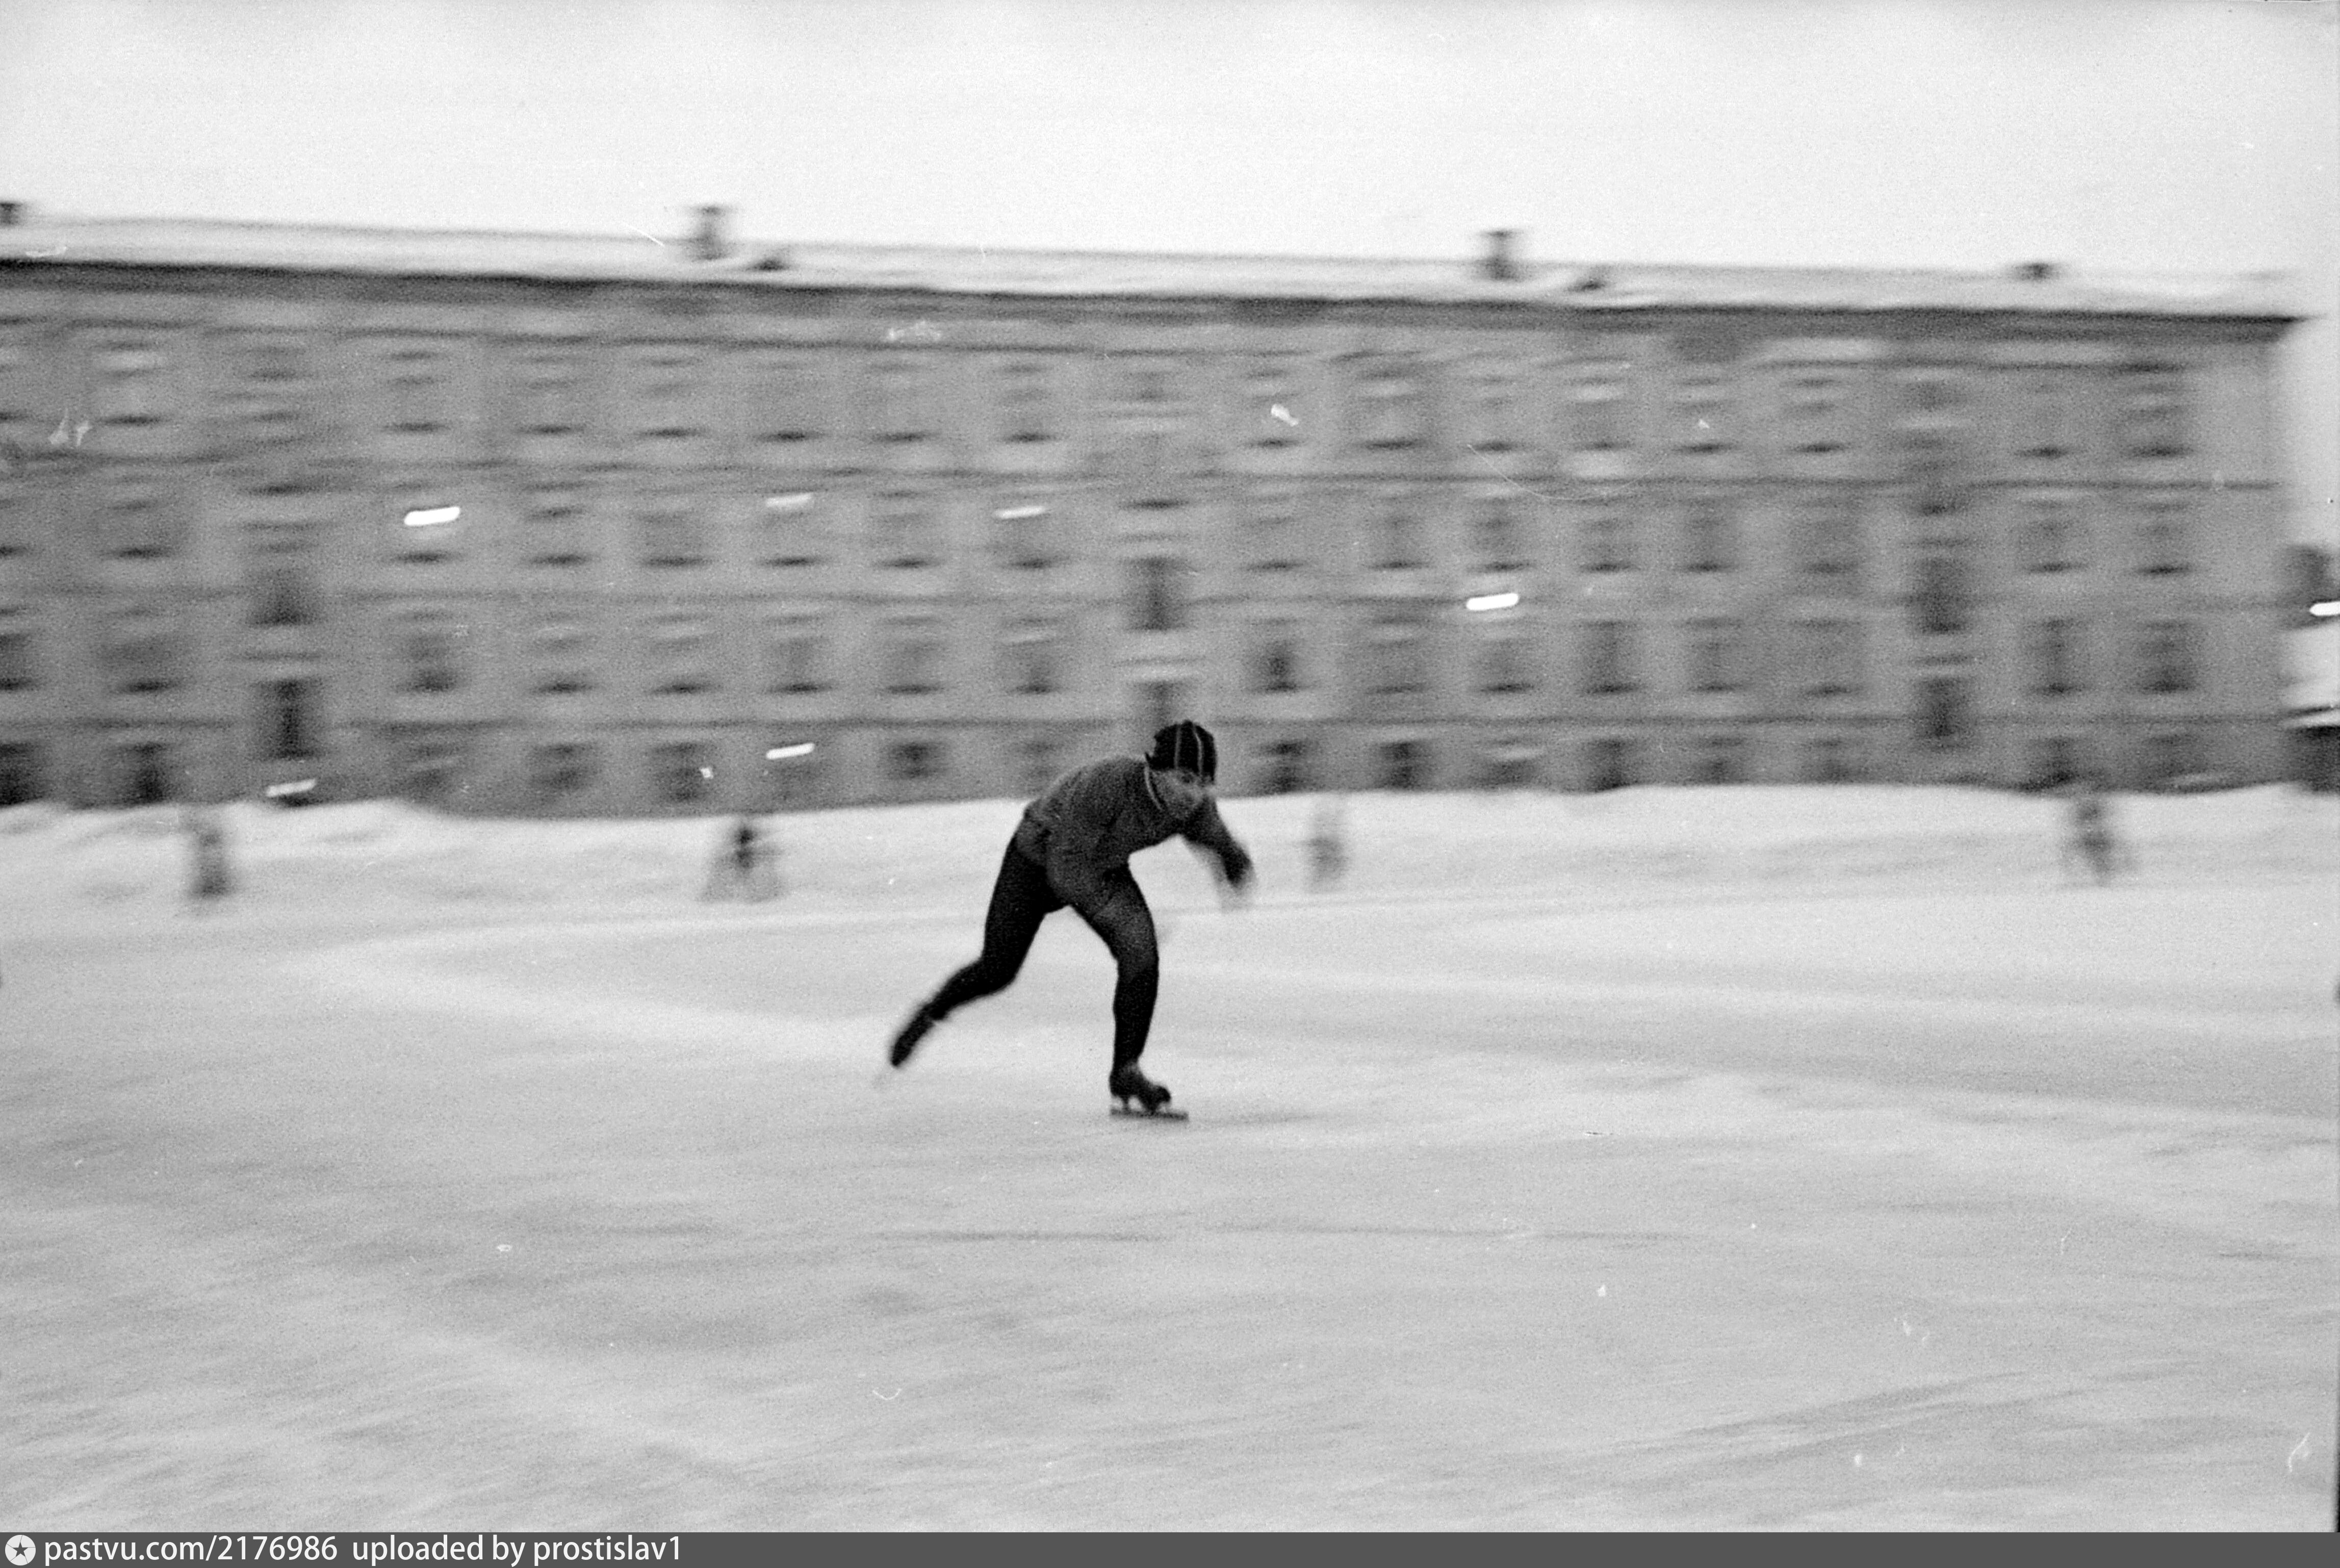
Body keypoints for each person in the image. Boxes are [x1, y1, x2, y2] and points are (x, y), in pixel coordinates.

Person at [887, 720, 1253, 1115]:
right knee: (998, 969)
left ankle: (1126, 1072)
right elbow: (1066, 870)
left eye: (1203, 783)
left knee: (1140, 954)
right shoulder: (1108, 785)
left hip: (1102, 865)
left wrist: (1233, 861)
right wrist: (1114, 916)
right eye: (1183, 778)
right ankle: (931, 1012)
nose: (1192, 793)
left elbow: (1213, 834)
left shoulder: (1194, 807)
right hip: (1035, 862)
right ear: (1155, 770)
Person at [2062, 773, 2122, 886]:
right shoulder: (2084, 804)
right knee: (2092, 852)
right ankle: (2079, 874)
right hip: (2089, 833)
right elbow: (2076, 820)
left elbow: (2102, 818)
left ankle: (2103, 874)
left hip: (2095, 832)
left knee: (2099, 852)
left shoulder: (2093, 804)